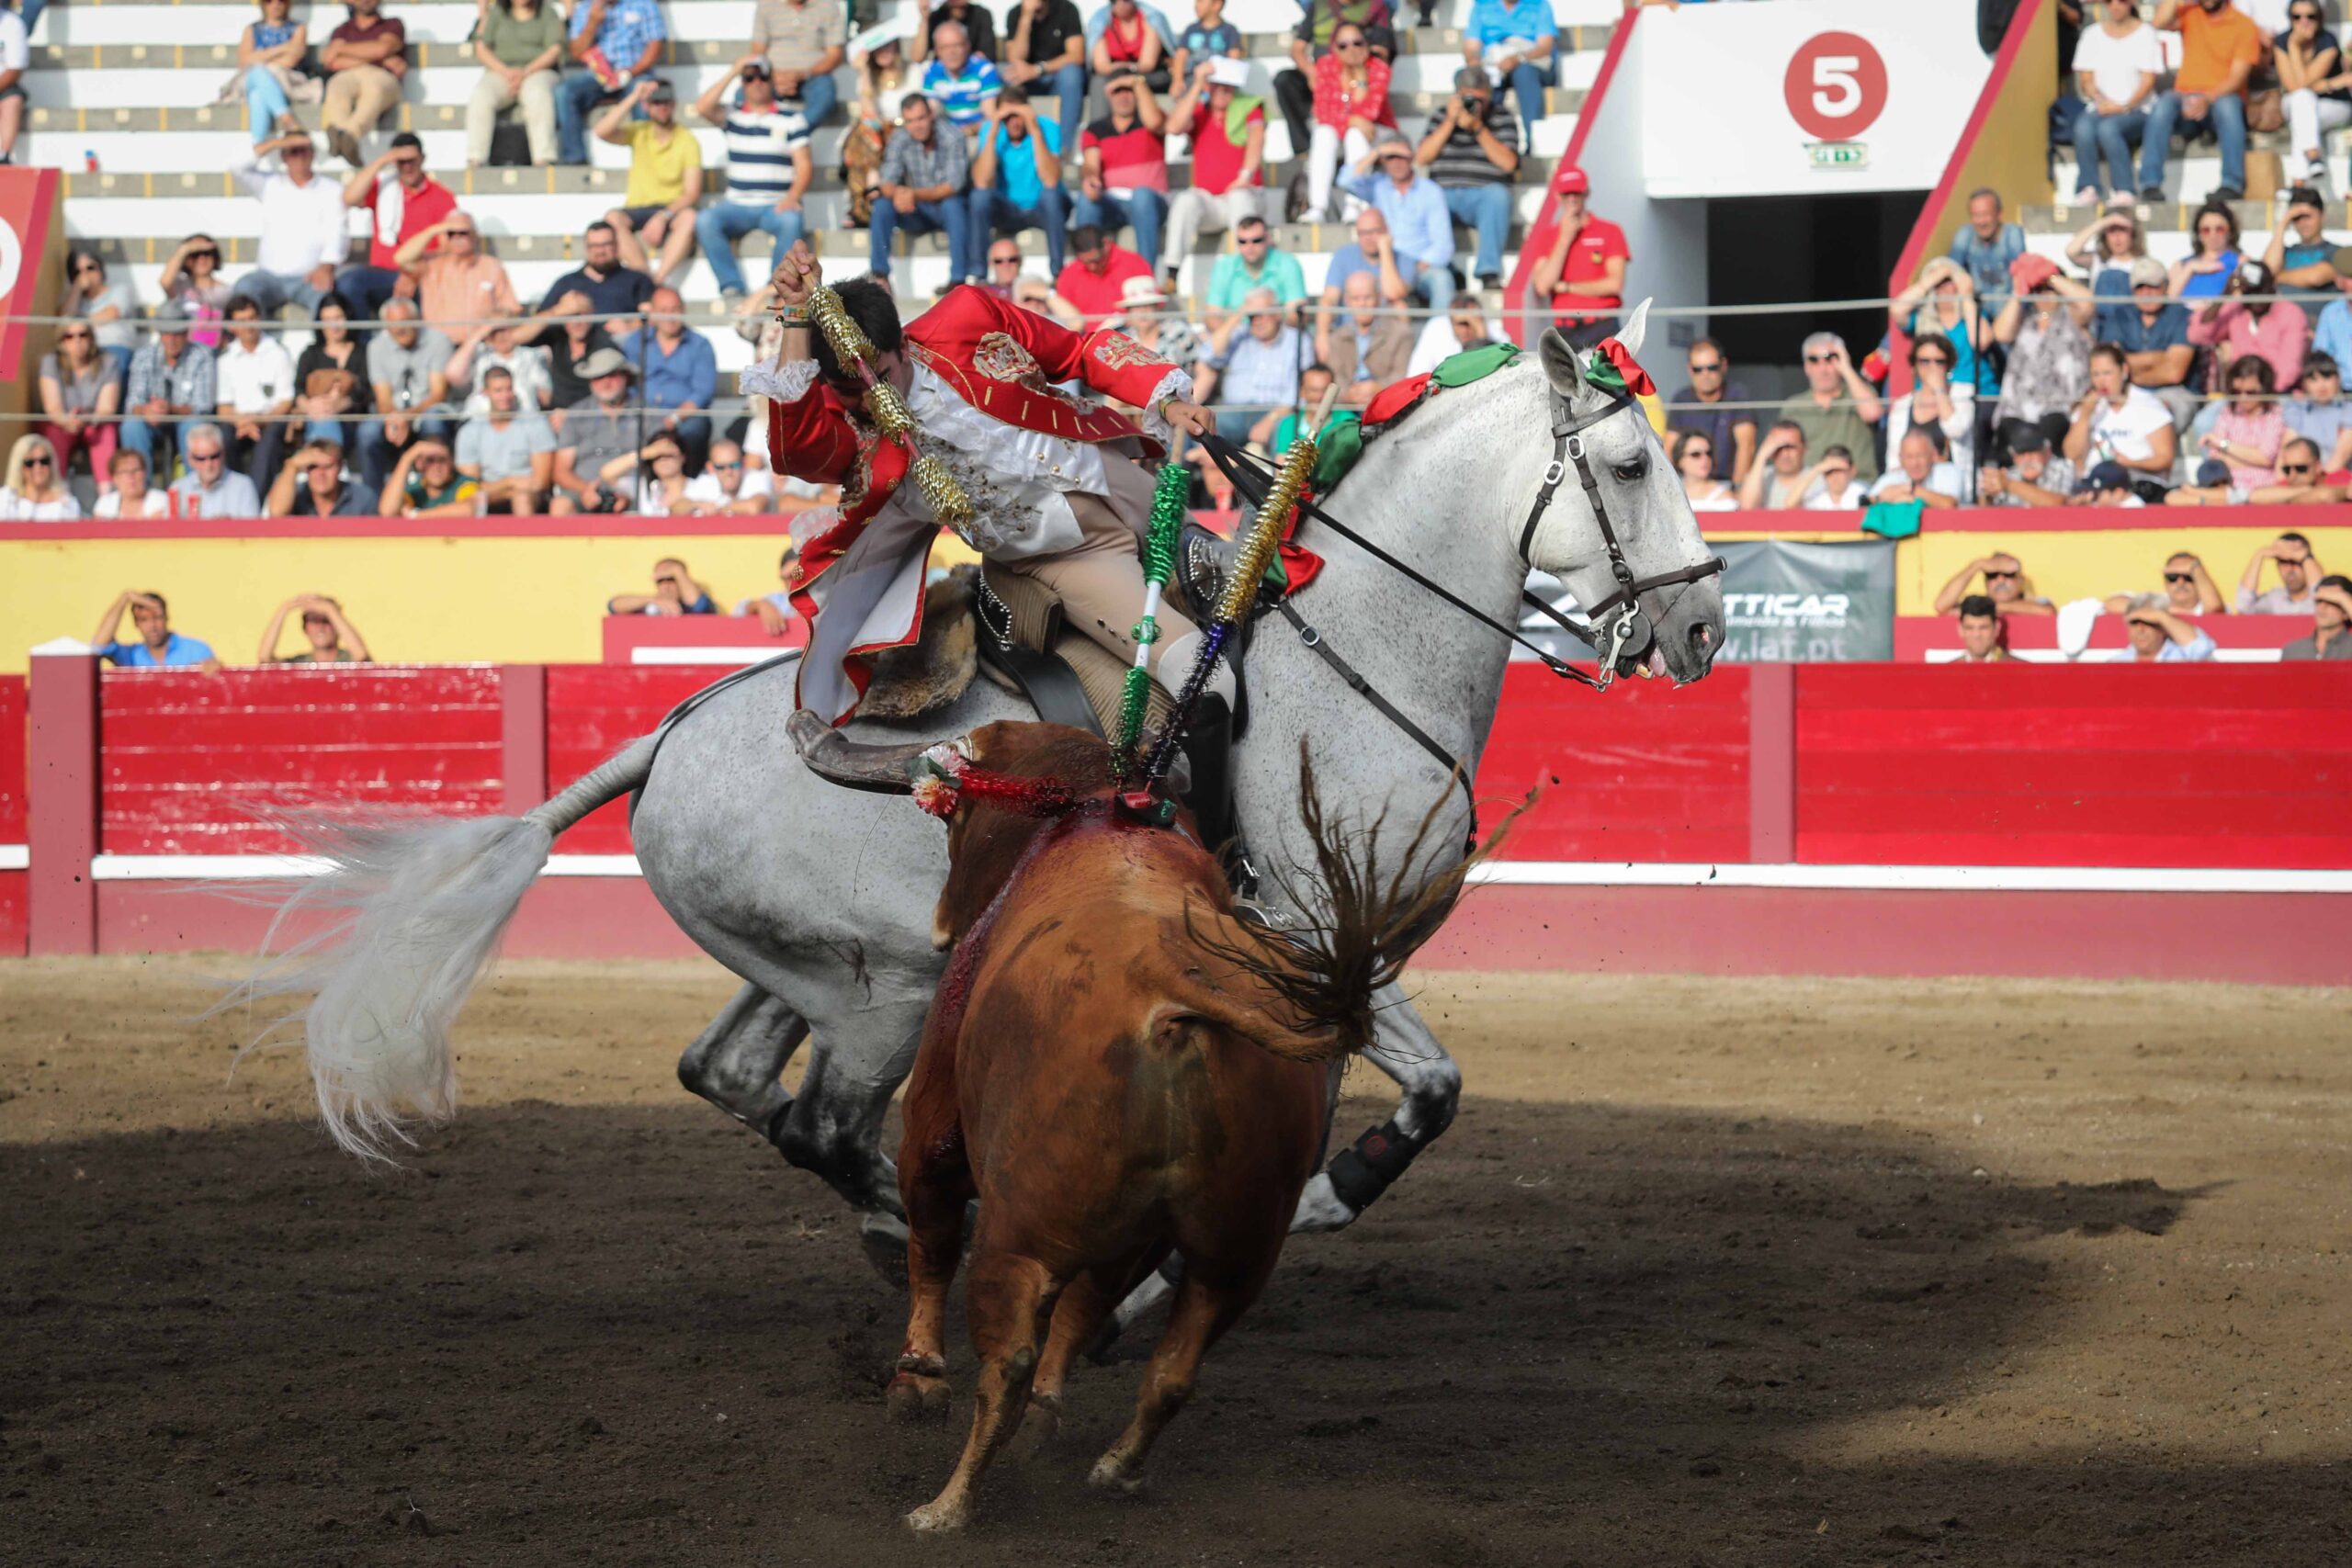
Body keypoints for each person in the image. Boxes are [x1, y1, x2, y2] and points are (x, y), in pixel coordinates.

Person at [751, 243, 1220, 728]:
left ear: (904, 347)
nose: (872, 400)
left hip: (1128, 487)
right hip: (1066, 559)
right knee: (1204, 674)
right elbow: (796, 452)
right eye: (852, 391)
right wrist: (796, 318)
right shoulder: (852, 433)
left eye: (883, 377)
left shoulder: (965, 315)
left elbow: (1076, 351)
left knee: (1258, 587)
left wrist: (1163, 398)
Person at [694, 59, 816, 299]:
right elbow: (702, 107)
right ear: (743, 83)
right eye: (749, 77)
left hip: (775, 204)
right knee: (705, 220)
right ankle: (731, 285)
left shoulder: (792, 118)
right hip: (736, 204)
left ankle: (774, 286)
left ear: (771, 81)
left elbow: (804, 164)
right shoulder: (733, 115)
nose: (757, 82)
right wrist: (734, 70)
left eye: (762, 77)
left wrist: (792, 197)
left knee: (792, 220)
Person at [2141, 0, 2264, 200]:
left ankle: (2232, 183)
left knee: (2228, 106)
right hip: (2185, 99)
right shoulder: (2191, 13)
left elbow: (2237, 78)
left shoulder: (2245, 25)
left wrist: (2206, 99)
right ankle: (2150, 183)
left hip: (2221, 99)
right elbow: (2159, 22)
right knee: (2163, 103)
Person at [1161, 57, 1267, 287]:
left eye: (1227, 85)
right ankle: (1172, 272)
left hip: (1244, 196)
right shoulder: (1201, 110)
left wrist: (1244, 176)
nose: (1223, 90)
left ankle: (1247, 271)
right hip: (1212, 203)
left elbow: (1257, 138)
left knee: (1240, 197)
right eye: (1217, 84)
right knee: (1186, 200)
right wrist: (1198, 84)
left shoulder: (1248, 107)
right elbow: (1173, 127)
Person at [1417, 66, 1520, 291]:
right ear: (1457, 95)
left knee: (1498, 196)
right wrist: (1450, 122)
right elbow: (1422, 157)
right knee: (1423, 196)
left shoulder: (1501, 116)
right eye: (1468, 98)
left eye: (1480, 99)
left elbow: (1509, 163)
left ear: (1489, 95)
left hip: (1483, 196)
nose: (1475, 104)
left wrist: (1478, 128)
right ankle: (1445, 267)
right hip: (1444, 194)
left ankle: (1488, 271)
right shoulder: (1442, 115)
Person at [339, 134, 458, 321]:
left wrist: (412, 273)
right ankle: (361, 345)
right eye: (401, 162)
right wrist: (382, 161)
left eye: (411, 161)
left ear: (422, 159)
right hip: (383, 273)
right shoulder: (385, 188)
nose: (407, 167)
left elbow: (447, 249)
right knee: (348, 283)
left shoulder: (442, 197)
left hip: (422, 274)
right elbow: (349, 198)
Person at [596, 79, 702, 286]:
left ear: (673, 104)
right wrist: (634, 96)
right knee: (612, 218)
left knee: (689, 217)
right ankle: (645, 278)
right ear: (646, 105)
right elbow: (601, 131)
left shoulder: (687, 139)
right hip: (637, 208)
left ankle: (658, 279)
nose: (662, 106)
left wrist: (663, 216)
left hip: (669, 208)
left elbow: (692, 193)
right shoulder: (639, 131)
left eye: (666, 101)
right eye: (656, 102)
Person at [1991, 255, 2095, 461]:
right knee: (2007, 444)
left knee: (2049, 438)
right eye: (2038, 289)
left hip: (2059, 408)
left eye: (2049, 289)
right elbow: (2001, 333)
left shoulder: (2072, 317)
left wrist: (2051, 277)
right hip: (2018, 407)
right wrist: (2019, 292)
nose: (2044, 295)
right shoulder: (2025, 320)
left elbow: (2087, 303)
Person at [232, 136, 348, 317]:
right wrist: (275, 143)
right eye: (293, 151)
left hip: (309, 277)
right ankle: (256, 345)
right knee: (244, 290)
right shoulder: (270, 184)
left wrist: (326, 267)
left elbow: (338, 231)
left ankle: (323, 346)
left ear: (312, 153)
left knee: (330, 305)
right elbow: (237, 168)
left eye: (303, 150)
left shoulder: (332, 189)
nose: (299, 156)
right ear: (283, 156)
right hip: (268, 276)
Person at [868, 92, 973, 288]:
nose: (917, 125)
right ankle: (879, 276)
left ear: (931, 114)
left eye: (921, 118)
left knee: (953, 205)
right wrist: (900, 194)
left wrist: (912, 194)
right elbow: (887, 181)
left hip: (946, 208)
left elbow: (953, 185)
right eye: (910, 121)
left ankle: (959, 279)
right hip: (914, 209)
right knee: (882, 205)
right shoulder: (900, 138)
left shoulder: (952, 136)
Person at [1339, 132, 1453, 310]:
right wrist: (1376, 152)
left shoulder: (1431, 191)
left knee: (1441, 279)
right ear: (1383, 162)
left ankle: (1440, 334)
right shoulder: (1378, 186)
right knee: (1361, 284)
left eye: (1402, 156)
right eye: (1390, 157)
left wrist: (1415, 269)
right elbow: (1345, 181)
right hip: (1384, 262)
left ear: (1411, 158)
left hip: (1419, 267)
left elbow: (1443, 246)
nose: (1397, 162)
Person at [967, 85, 1069, 280]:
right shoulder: (991, 129)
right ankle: (978, 274)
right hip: (1008, 208)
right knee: (979, 197)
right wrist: (995, 127)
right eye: (1008, 117)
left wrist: (1034, 130)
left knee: (1051, 195)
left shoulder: (1047, 127)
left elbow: (1051, 179)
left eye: (1018, 115)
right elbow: (981, 181)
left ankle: (1059, 273)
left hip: (1043, 208)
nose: (1014, 122)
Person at [611, 287, 718, 471]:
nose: (670, 317)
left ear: (683, 311)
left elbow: (702, 393)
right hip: (643, 412)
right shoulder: (636, 342)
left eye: (675, 310)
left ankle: (689, 484)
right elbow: (628, 385)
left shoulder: (700, 345)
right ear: (652, 313)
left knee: (694, 430)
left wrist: (673, 419)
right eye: (663, 311)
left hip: (684, 417)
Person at [1072, 69, 1169, 265]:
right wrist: (1091, 179)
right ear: (1108, 94)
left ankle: (1145, 274)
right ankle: (1086, 269)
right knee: (1086, 200)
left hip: (1150, 203)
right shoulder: (1095, 129)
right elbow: (1091, 164)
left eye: (1129, 90)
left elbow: (1156, 121)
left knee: (1142, 195)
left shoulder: (1150, 122)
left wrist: (1138, 82)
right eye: (1118, 91)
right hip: (1114, 203)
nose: (1124, 96)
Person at [2071, 0, 2164, 203]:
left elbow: (2148, 80)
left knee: (2108, 129)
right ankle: (2088, 186)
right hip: (2102, 107)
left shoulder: (2146, 34)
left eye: (2121, 1)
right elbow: (2086, 78)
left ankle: (2124, 189)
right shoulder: (2092, 34)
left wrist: (2124, 106)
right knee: (2083, 127)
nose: (2115, 6)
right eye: (2109, 1)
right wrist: (2100, 100)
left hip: (2139, 109)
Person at [361, 298, 457, 493]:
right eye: (393, 324)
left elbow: (438, 394)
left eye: (404, 322)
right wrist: (396, 418)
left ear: (416, 319)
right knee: (367, 433)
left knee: (433, 421)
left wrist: (407, 415)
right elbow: (383, 399)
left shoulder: (438, 341)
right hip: (394, 415)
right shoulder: (376, 347)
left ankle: (435, 496)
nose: (399, 329)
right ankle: (373, 499)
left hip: (427, 410)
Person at [1198, 287, 1311, 450]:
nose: (1256, 321)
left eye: (1261, 314)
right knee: (1204, 429)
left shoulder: (1298, 340)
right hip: (1234, 412)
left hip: (1277, 413)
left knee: (1285, 435)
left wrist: (1270, 420)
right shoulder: (1239, 335)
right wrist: (1237, 315)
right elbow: (1209, 355)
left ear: (1277, 314)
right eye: (1251, 316)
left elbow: (1300, 388)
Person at [556, 0, 666, 166]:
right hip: (597, 77)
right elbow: (576, 52)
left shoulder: (644, 4)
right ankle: (574, 158)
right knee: (564, 92)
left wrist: (630, 72)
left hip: (635, 73)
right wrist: (592, 23)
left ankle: (647, 160)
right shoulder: (586, 8)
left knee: (645, 91)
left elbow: (655, 47)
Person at [1303, 22, 1392, 223]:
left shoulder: (1378, 68)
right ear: (1334, 48)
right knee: (1324, 133)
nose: (1351, 49)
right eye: (1343, 45)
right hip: (1341, 131)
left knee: (1355, 136)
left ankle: (1354, 204)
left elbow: (1370, 112)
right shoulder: (1326, 66)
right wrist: (1351, 119)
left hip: (1376, 133)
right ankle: (1318, 206)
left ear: (1366, 45)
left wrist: (1360, 76)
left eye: (1357, 43)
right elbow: (1323, 112)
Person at [1529, 167, 1628, 349]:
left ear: (1586, 192)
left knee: (1611, 376)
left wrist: (1567, 287)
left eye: (1576, 192)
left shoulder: (1610, 231)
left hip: (1602, 324)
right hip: (1565, 328)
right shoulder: (1548, 236)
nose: (1572, 199)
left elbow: (1615, 284)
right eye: (1566, 194)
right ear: (1558, 196)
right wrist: (1564, 239)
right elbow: (1543, 285)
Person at [2064, 341, 2177, 490]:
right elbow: (2072, 454)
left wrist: (2128, 463)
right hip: (2095, 485)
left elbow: (2164, 458)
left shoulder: (2148, 405)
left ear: (2123, 371)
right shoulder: (2089, 407)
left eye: (2107, 373)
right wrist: (2085, 415)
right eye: (2095, 374)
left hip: (2138, 484)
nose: (2101, 381)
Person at [212, 293, 297, 490]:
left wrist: (257, 420)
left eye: (252, 319)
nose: (248, 326)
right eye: (241, 321)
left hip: (268, 421)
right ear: (231, 326)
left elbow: (285, 402)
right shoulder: (225, 359)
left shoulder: (278, 352)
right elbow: (223, 408)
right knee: (223, 436)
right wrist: (245, 422)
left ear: (259, 319)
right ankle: (233, 495)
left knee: (272, 437)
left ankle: (253, 505)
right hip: (238, 423)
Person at [2188, 257, 2310, 393]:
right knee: (2207, 415)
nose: (2256, 298)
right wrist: (2225, 294)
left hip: (2278, 395)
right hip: (2240, 396)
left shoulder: (2291, 314)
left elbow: (2289, 369)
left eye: (2261, 291)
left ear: (2272, 287)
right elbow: (2197, 335)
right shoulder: (2237, 309)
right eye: (2251, 292)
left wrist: (2256, 395)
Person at [121, 303, 217, 476]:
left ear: (187, 332)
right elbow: (133, 403)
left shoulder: (202, 356)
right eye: (166, 333)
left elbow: (203, 406)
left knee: (193, 424)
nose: (172, 339)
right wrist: (147, 410)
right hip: (152, 421)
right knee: (131, 426)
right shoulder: (143, 356)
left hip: (185, 420)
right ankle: (141, 491)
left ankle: (196, 487)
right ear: (159, 334)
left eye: (177, 333)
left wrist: (169, 410)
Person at [468, 0, 566, 167]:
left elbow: (554, 50)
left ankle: (544, 157)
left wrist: (526, 72)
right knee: (481, 95)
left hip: (538, 71)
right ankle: (476, 158)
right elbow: (481, 47)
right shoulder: (497, 12)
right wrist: (506, 72)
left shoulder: (547, 12)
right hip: (501, 71)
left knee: (538, 94)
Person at [1775, 332, 1883, 482]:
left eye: (1830, 359)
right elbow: (1782, 457)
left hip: (1856, 485)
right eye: (1814, 360)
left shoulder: (1858, 393)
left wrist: (1846, 368)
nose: (1823, 368)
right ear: (1806, 366)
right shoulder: (1793, 406)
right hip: (1810, 489)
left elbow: (1873, 413)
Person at [549, 347, 643, 513]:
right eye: (599, 377)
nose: (605, 382)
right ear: (590, 381)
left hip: (635, 489)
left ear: (625, 376)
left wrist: (628, 493)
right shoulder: (576, 414)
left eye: (612, 375)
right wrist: (586, 490)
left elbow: (661, 453)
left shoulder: (645, 412)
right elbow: (561, 471)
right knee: (560, 506)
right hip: (584, 490)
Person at [2109, 254, 2199, 427]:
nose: (2147, 293)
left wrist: (2127, 370)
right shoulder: (2119, 315)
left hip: (2174, 392)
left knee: (2154, 415)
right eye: (2140, 287)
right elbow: (2108, 364)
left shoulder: (2182, 316)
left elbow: (2174, 373)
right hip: (2127, 391)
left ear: (2165, 287)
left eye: (2153, 286)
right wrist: (2157, 358)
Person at [396, 212, 521, 334]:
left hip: (480, 343)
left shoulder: (491, 266)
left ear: (475, 235)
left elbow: (511, 307)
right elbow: (401, 258)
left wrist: (497, 318)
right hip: (439, 344)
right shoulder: (432, 263)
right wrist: (433, 230)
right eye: (451, 233)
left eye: (463, 233)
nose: (457, 237)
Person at [318, 0, 408, 169]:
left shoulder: (392, 24)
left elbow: (382, 48)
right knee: (337, 85)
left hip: (381, 77)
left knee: (374, 89)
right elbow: (330, 60)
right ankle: (339, 131)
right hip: (353, 74)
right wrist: (378, 58)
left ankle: (350, 134)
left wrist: (342, 49)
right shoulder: (342, 29)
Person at [455, 365, 558, 512]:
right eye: (498, 390)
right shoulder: (470, 431)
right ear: (485, 393)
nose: (505, 396)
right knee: (469, 502)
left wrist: (508, 487)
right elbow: (469, 486)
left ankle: (524, 535)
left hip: (529, 495)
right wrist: (511, 482)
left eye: (509, 389)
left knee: (521, 497)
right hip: (490, 496)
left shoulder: (535, 423)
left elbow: (541, 482)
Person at [1890, 254, 1992, 400]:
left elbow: (1981, 341)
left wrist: (1966, 296)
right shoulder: (1921, 318)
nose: (1941, 287)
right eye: (1937, 283)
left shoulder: (1972, 313)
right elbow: (1897, 309)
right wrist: (1931, 280)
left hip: (1974, 394)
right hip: (1931, 394)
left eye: (1947, 281)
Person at [844, 31, 918, 228]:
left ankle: (869, 195)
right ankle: (870, 190)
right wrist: (864, 71)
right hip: (879, 134)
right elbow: (869, 112)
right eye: (877, 48)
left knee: (866, 135)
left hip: (910, 130)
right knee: (864, 132)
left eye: (887, 46)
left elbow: (918, 110)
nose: (883, 52)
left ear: (896, 46)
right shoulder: (869, 78)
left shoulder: (913, 72)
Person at [2275, 2, 2350, 185]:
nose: (2304, 22)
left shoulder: (2327, 41)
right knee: (2302, 100)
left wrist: (2293, 47)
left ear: (2319, 18)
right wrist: (2293, 45)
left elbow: (2302, 83)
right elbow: (2295, 86)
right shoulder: (2282, 41)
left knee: (2301, 116)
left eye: (2311, 16)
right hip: (2296, 103)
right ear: (2290, 19)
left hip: (2332, 105)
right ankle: (2313, 156)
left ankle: (2298, 182)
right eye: (2297, 17)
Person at [1888, 332, 1978, 479]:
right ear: (1914, 365)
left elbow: (1956, 429)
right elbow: (1893, 459)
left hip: (1952, 484)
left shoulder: (1964, 394)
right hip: (1912, 486)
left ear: (1949, 365)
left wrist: (1939, 390)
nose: (1932, 367)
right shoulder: (1901, 406)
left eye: (1939, 361)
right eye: (1924, 361)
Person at [1204, 214, 1306, 344]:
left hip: (1278, 339)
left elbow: (1296, 315)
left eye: (1256, 240)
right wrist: (1233, 336)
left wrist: (1269, 336)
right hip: (1236, 339)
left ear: (1267, 239)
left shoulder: (1288, 264)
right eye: (1242, 241)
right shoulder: (1224, 266)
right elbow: (1211, 317)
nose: (1249, 247)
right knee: (1205, 357)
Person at [39, 322, 119, 484]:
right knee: (53, 432)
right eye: (69, 336)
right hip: (63, 421)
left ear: (91, 338)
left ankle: (107, 495)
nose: (77, 341)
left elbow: (107, 407)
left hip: (95, 421)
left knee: (106, 432)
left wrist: (90, 419)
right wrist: (67, 421)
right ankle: (57, 490)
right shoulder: (50, 362)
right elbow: (52, 407)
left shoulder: (108, 361)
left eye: (83, 335)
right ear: (61, 341)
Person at [1316, 269, 1410, 408]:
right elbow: (1335, 376)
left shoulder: (1401, 333)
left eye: (1367, 297)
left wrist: (1378, 388)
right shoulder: (1336, 338)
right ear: (1347, 301)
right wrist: (1348, 394)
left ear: (1378, 298)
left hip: (1388, 404)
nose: (1362, 304)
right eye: (1355, 298)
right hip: (1347, 408)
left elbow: (1403, 374)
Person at [1464, 0, 1555, 141]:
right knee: (1474, 79)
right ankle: (1477, 139)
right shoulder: (1482, 5)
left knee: (1524, 74)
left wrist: (1517, 59)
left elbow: (1545, 47)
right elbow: (1471, 48)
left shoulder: (1539, 4)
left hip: (1530, 63)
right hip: (1494, 63)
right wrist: (1478, 64)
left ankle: (1533, 141)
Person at [292, 294, 373, 454]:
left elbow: (366, 390)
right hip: (315, 417)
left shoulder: (364, 353)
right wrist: (311, 407)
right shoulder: (310, 354)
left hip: (352, 422)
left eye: (338, 318)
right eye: (327, 320)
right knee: (323, 421)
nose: (334, 326)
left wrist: (340, 404)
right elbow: (298, 390)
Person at [2194, 355, 2288, 489]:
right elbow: (2215, 458)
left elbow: (2266, 458)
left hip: (2263, 490)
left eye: (2250, 392)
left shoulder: (2275, 414)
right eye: (2236, 392)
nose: (2242, 397)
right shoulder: (2228, 412)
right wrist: (2254, 457)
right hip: (2226, 489)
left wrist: (2223, 444)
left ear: (2264, 389)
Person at [751, 0, 847, 129]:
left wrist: (802, 75)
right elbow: (757, 52)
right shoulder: (766, 5)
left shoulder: (828, 7)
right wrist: (774, 77)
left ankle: (794, 132)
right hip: (773, 75)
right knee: (743, 94)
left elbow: (835, 56)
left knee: (825, 93)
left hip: (813, 76)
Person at [1000, 0, 1086, 136]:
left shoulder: (1067, 9)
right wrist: (1026, 17)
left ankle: (1066, 147)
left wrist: (1037, 70)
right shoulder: (1015, 13)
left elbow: (1077, 55)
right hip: (1027, 81)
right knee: (1008, 74)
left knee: (1072, 74)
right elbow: (1015, 58)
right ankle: (1013, 146)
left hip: (1057, 77)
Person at [540, 221, 656, 320]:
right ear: (586, 247)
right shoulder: (566, 283)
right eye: (594, 245)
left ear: (616, 245)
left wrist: (630, 326)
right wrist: (558, 311)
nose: (600, 251)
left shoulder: (638, 281)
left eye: (606, 244)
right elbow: (531, 332)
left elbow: (655, 322)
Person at [447, 315, 554, 415]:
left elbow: (546, 399)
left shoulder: (530, 356)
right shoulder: (480, 353)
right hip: (481, 419)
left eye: (505, 331)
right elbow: (453, 374)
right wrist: (481, 332)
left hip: (521, 420)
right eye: (494, 332)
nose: (500, 336)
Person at [1053, 224, 1154, 326]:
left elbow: (1153, 308)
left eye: (1096, 260)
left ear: (1106, 244)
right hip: (1086, 339)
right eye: (1086, 262)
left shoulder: (1134, 263)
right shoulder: (1069, 273)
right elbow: (1064, 318)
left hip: (1128, 336)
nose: (1092, 267)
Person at [90, 592, 220, 671]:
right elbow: (98, 645)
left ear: (167, 618)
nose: (152, 625)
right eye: (144, 619)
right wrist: (125, 597)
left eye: (157, 617)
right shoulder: (130, 655)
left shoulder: (196, 649)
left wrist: (215, 667)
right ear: (136, 624)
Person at [2264, 186, 2346, 311]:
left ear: (2321, 215)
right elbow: (2267, 270)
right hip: (2282, 325)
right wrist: (2282, 224)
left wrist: (2276, 277)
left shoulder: (2336, 251)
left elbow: (2316, 277)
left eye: (2307, 216)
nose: (2302, 223)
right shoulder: (2284, 252)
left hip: (2318, 324)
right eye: (2296, 218)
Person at [63, 250, 140, 382]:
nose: (85, 275)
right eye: (78, 271)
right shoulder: (73, 299)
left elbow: (111, 314)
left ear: (100, 269)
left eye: (90, 268)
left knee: (113, 366)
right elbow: (63, 321)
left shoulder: (120, 290)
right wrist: (77, 288)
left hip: (114, 347)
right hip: (82, 350)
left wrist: (78, 323)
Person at [2071, 206, 2149, 334]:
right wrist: (2103, 222)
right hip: (2099, 329)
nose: (2117, 237)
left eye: (2123, 230)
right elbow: (2071, 251)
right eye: (2111, 231)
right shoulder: (2097, 260)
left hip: (2131, 331)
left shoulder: (2142, 263)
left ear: (2133, 234)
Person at [1946, 188, 2027, 308]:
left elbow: (2021, 275)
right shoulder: (1965, 234)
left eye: (1985, 214)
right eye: (1976, 215)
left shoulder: (2012, 234)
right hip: (1976, 313)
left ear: (1999, 214)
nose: (1981, 221)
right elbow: (1950, 269)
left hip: (2008, 312)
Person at [922, 20, 1001, 136]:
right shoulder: (931, 73)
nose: (951, 52)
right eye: (945, 47)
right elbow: (932, 113)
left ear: (967, 46)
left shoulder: (985, 71)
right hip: (947, 136)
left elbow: (991, 117)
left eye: (957, 45)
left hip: (981, 135)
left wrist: (966, 131)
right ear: (937, 51)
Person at [170, 423, 266, 518]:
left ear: (223, 454)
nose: (208, 465)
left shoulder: (243, 486)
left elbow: (253, 530)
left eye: (214, 456)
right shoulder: (178, 489)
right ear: (190, 458)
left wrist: (229, 526)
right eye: (201, 458)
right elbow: (169, 529)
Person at [266, 437, 377, 516]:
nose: (321, 473)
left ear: (341, 467)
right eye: (313, 467)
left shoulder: (363, 498)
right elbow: (276, 513)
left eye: (328, 466)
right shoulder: (295, 494)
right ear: (305, 469)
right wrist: (292, 466)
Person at [158, 233, 232, 350]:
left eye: (207, 254)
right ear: (186, 259)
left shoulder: (226, 290)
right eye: (195, 254)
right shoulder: (180, 286)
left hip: (215, 351)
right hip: (185, 352)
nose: (201, 259)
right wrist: (185, 248)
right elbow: (165, 282)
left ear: (215, 258)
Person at [2283, 352, 2352, 472]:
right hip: (2302, 479)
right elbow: (2287, 455)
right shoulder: (2297, 411)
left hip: (2337, 479)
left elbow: (2339, 459)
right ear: (2304, 384)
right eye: (2313, 379)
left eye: (2326, 377)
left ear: (2338, 379)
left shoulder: (2348, 410)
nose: (2321, 385)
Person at [1977, 425, 2079, 507]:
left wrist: (2009, 485)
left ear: (2047, 451)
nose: (2027, 458)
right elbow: (1987, 514)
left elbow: (2059, 505)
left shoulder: (2063, 467)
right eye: (2021, 453)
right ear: (2014, 456)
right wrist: (1988, 495)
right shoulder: (2009, 475)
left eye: (2032, 451)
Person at [381, 437, 481, 518]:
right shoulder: (415, 489)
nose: (437, 467)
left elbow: (468, 510)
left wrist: (417, 515)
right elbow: (387, 511)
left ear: (451, 462)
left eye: (442, 460)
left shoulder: (464, 483)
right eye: (430, 460)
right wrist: (407, 458)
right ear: (419, 465)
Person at [2170, 198, 2245, 305]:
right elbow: (2169, 302)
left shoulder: (2241, 262)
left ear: (2230, 232)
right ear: (2198, 234)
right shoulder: (2181, 265)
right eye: (2206, 230)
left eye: (2219, 229)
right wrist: (2190, 269)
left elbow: (2239, 302)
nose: (2212, 235)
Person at [2104, 551, 2225, 615]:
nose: (2180, 582)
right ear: (2166, 583)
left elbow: (2214, 610)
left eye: (2188, 576)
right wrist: (2166, 611)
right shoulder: (2158, 601)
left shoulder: (2208, 602)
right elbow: (2112, 604)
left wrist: (2197, 569)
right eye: (2173, 577)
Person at [1934, 551, 2056, 615]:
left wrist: (1987, 608)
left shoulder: (2039, 602)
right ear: (1986, 582)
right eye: (1992, 574)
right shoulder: (1977, 607)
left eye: (2008, 574)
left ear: (2021, 580)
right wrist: (1977, 565)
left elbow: (2046, 612)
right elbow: (1941, 606)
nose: (2000, 580)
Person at [1866, 427, 1962, 508]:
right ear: (1900, 458)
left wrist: (1911, 490)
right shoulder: (1891, 478)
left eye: (1920, 456)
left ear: (1933, 455)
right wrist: (1879, 499)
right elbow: (1863, 504)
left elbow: (1950, 505)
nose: (1915, 463)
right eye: (1909, 457)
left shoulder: (1949, 471)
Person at [259, 595, 372, 662]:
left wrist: (330, 610)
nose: (320, 627)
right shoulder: (300, 664)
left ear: (338, 626)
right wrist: (285, 608)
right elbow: (265, 659)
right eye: (313, 621)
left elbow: (362, 656)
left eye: (326, 620)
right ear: (305, 629)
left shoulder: (347, 659)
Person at [1405, 291, 1496, 376]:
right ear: (1450, 321)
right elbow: (1415, 375)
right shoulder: (1436, 329)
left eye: (1469, 323)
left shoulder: (1490, 328)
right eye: (1460, 323)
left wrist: (1482, 336)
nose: (1464, 330)